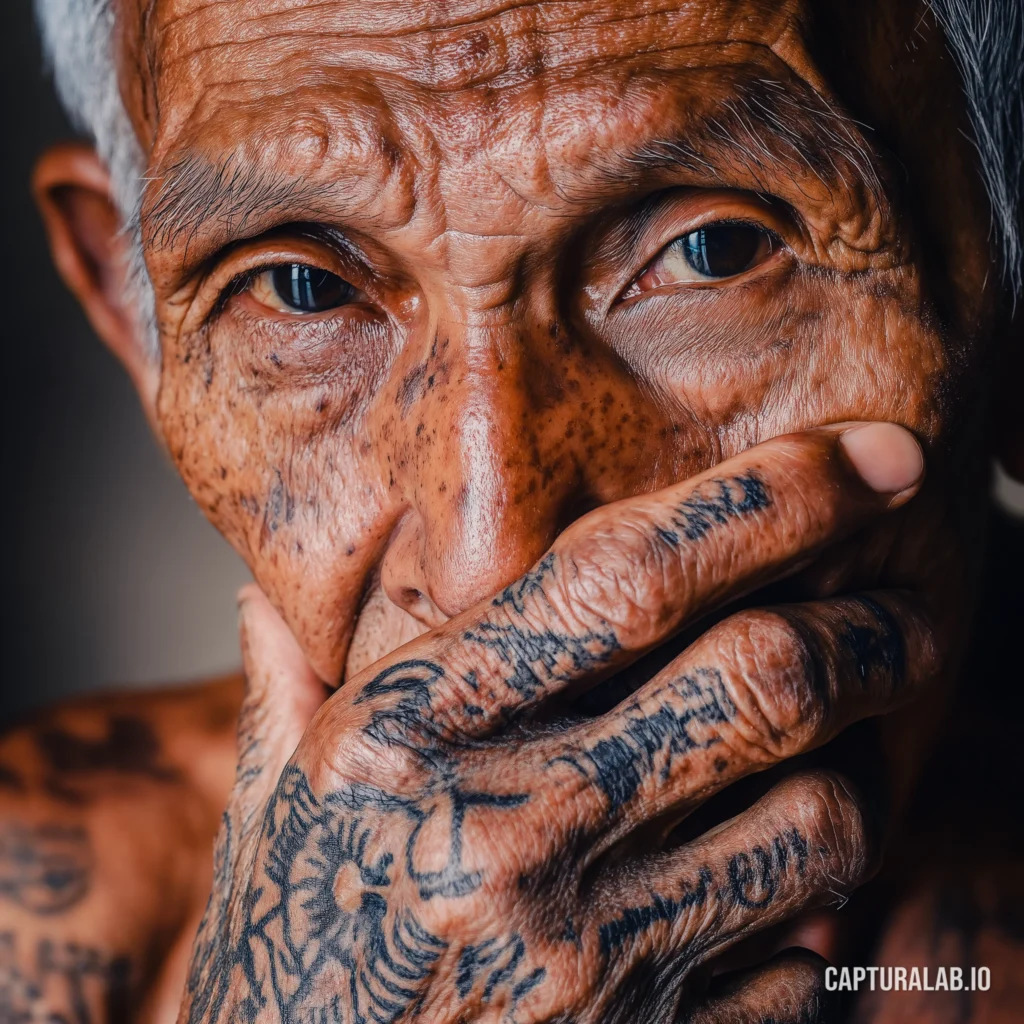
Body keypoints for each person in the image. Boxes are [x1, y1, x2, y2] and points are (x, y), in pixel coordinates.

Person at [1, 0, 1021, 1021]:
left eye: (713, 251)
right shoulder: (54, 910)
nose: (496, 557)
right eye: (302, 290)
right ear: (136, 323)